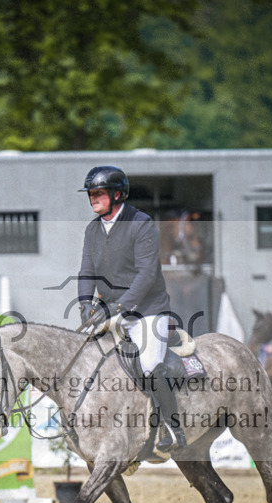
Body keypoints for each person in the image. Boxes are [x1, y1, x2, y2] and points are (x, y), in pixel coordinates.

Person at [76, 165, 186, 453]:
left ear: (117, 195)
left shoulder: (141, 223)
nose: (92, 198)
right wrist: (85, 303)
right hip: (111, 311)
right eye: (91, 194)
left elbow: (146, 274)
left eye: (98, 193)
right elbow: (87, 271)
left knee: (149, 366)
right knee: (85, 361)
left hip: (147, 311)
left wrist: (118, 306)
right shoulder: (92, 230)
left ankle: (173, 429)